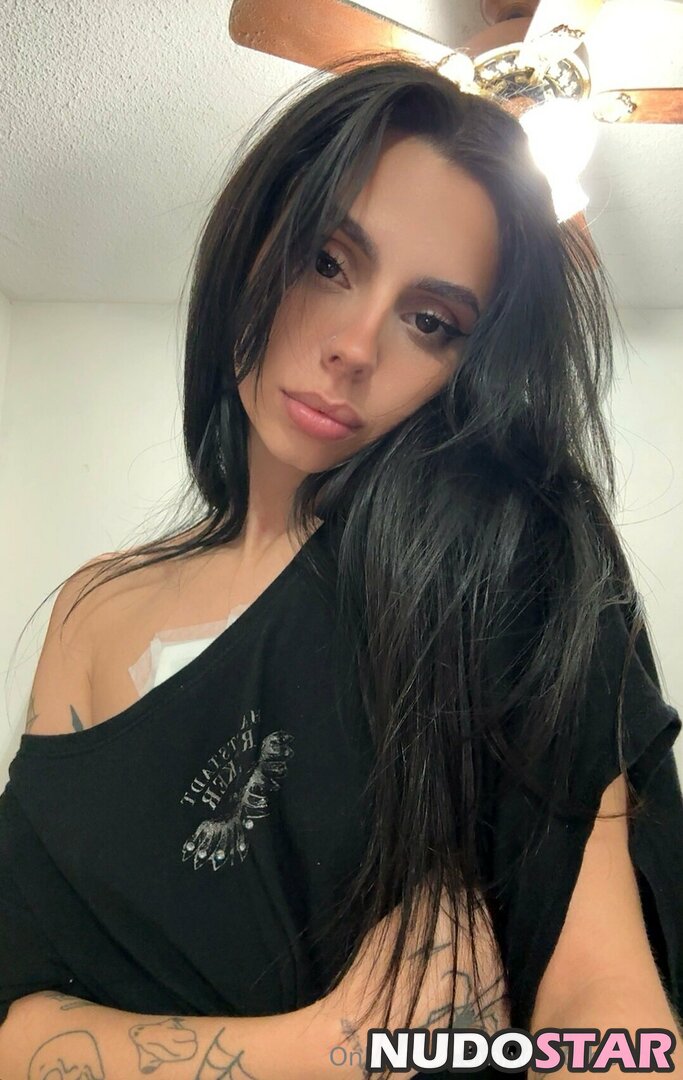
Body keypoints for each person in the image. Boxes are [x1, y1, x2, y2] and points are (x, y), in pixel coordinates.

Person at [0, 52, 681, 1080]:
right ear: (253, 243)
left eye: (430, 322)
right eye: (327, 262)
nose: (356, 347)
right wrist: (325, 1051)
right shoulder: (92, 612)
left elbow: (610, 1007)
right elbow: (14, 1012)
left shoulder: (506, 558)